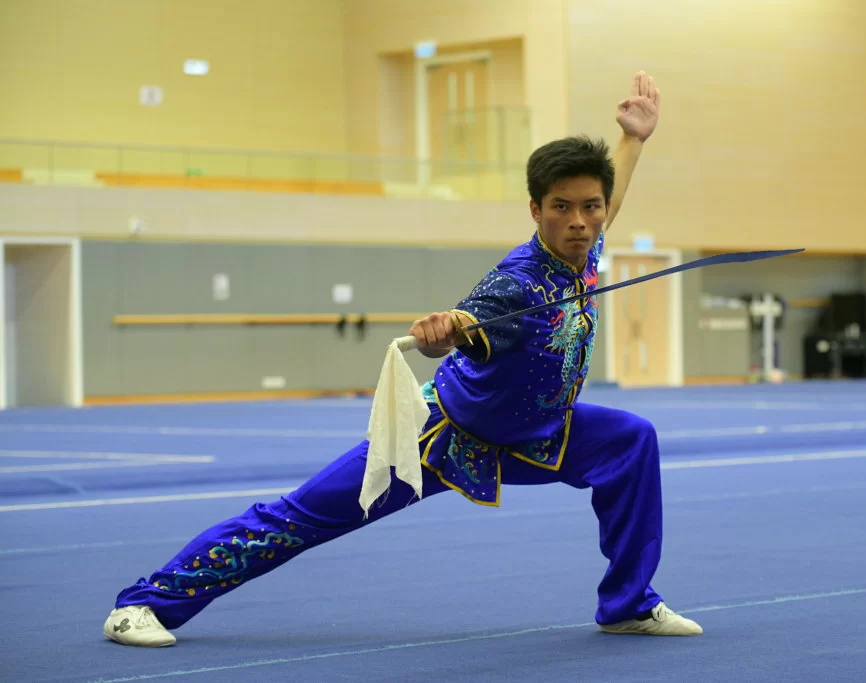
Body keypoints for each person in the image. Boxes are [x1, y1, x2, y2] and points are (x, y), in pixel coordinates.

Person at [103, 71, 703, 647]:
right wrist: (443, 333)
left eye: (591, 207)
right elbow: (467, 322)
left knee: (630, 441)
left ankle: (628, 606)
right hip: (440, 438)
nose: (579, 222)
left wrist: (632, 139)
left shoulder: (586, 244)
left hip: (540, 434)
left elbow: (609, 197)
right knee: (302, 516)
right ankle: (144, 603)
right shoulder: (516, 283)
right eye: (561, 207)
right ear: (535, 209)